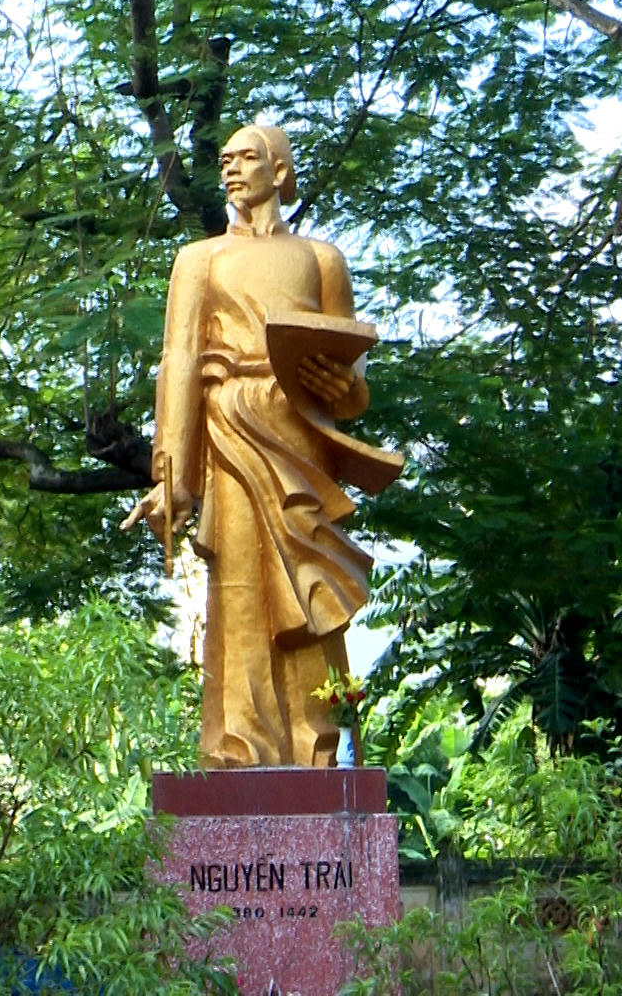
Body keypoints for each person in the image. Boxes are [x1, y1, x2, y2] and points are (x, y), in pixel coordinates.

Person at [123, 123, 400, 768]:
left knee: (309, 587)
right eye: (224, 159)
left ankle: (319, 747)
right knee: (242, 588)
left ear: (279, 171)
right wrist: (171, 476)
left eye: (246, 158)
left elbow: (352, 375)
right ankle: (241, 749)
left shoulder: (321, 259)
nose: (230, 168)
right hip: (230, 429)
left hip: (300, 433)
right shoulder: (200, 259)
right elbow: (180, 359)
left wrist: (345, 390)